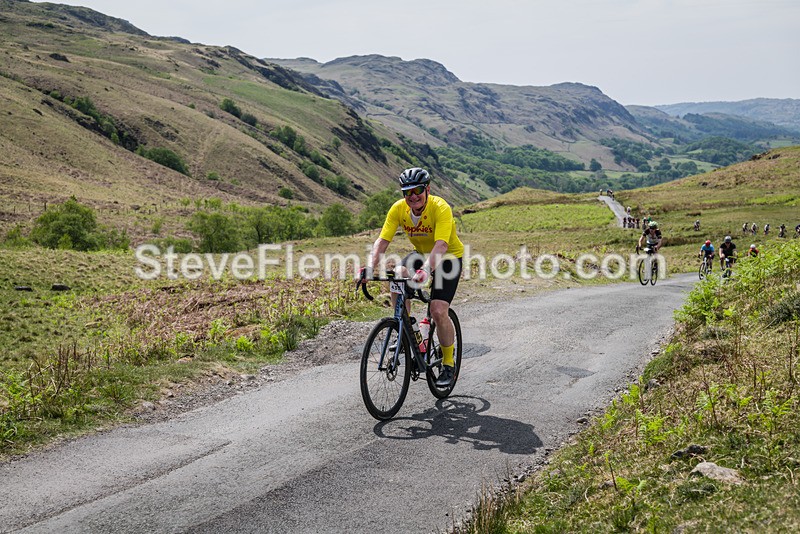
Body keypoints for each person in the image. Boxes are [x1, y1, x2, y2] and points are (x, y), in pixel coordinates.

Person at [360, 167, 464, 388]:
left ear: (427, 189)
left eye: (417, 190)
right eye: (407, 192)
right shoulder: (399, 209)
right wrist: (369, 268)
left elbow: (442, 244)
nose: (413, 196)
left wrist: (426, 270)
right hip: (421, 254)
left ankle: (448, 363)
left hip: (448, 257)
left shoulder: (440, 207)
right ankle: (403, 328)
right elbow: (382, 240)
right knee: (398, 274)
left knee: (437, 310)